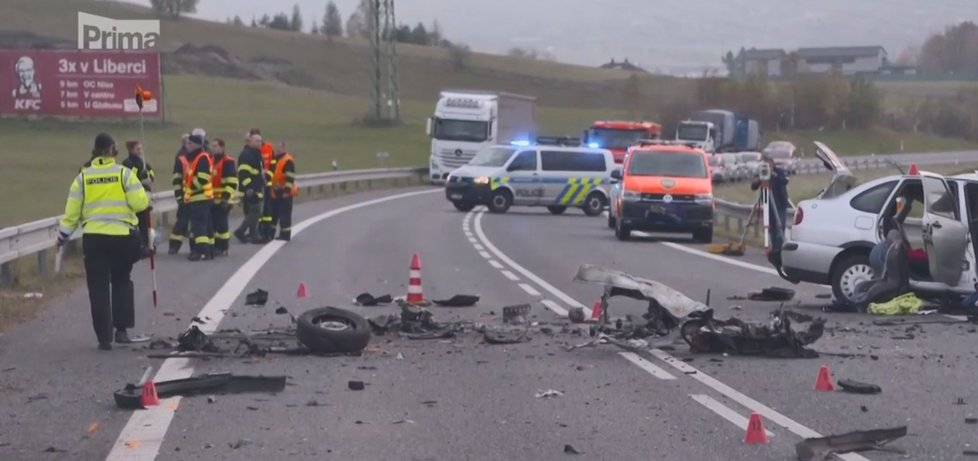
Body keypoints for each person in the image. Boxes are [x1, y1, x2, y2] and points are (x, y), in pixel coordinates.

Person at [57, 133, 149, 350]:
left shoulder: (83, 177)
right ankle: (122, 331)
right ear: (112, 151)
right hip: (122, 238)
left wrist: (63, 236)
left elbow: (71, 213)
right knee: (121, 281)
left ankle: (104, 338)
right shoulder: (124, 174)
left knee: (97, 288)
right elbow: (140, 203)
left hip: (95, 240)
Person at [181, 134, 215, 261]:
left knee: (199, 227)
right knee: (206, 227)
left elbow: (202, 178)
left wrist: (190, 187)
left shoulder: (201, 158)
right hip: (201, 199)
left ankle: (202, 252)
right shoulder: (198, 158)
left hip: (200, 198)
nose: (187, 146)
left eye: (189, 144)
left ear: (196, 145)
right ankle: (210, 251)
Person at [122, 140, 155, 256]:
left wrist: (149, 176)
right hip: (133, 200)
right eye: (138, 149)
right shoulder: (127, 163)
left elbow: (151, 176)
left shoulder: (144, 163)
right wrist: (140, 178)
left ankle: (146, 246)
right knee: (135, 225)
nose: (141, 151)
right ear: (131, 150)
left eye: (141, 149)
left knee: (145, 224)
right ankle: (137, 247)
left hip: (145, 199)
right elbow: (129, 179)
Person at [234, 133, 265, 243]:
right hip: (251, 188)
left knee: (254, 211)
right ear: (250, 142)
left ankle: (253, 234)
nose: (259, 143)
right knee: (255, 211)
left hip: (256, 187)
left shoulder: (256, 154)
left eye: (260, 141)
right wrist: (249, 187)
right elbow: (243, 173)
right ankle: (240, 231)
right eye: (257, 141)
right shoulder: (247, 154)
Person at [209, 138, 238, 256]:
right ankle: (217, 246)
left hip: (223, 199)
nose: (213, 148)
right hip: (211, 199)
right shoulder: (210, 160)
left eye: (215, 146)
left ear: (222, 147)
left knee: (222, 225)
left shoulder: (228, 162)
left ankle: (223, 247)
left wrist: (225, 198)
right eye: (212, 146)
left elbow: (231, 182)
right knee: (214, 224)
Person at [267, 142, 298, 241]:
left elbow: (290, 177)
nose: (277, 149)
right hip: (276, 191)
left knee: (284, 214)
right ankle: (270, 234)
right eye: (277, 147)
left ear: (284, 148)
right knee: (274, 213)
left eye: (279, 147)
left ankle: (285, 235)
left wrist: (287, 191)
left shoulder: (288, 160)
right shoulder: (276, 159)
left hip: (285, 192)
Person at [250, 128, 275, 242]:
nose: (257, 142)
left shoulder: (268, 148)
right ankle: (261, 233)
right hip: (259, 183)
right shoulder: (253, 151)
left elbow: (273, 164)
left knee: (266, 210)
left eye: (258, 139)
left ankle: (267, 232)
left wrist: (268, 177)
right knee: (260, 210)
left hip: (266, 183)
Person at [168, 134, 190, 254]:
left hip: (194, 194)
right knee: (182, 221)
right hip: (185, 193)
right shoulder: (182, 156)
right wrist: (179, 195)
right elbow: (177, 178)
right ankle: (174, 245)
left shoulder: (196, 155)